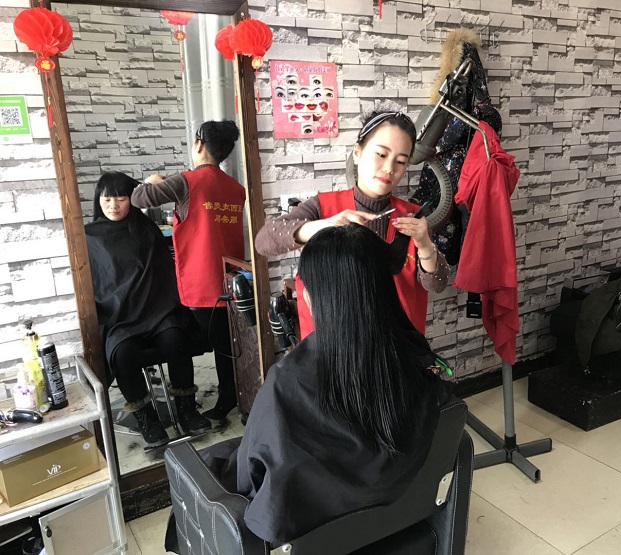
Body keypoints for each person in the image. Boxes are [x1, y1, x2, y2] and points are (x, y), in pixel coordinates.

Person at [165, 224, 452, 548]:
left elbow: (252, 485)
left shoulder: (286, 384)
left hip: (307, 542)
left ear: (314, 297)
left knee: (213, 461)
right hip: (395, 531)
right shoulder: (419, 363)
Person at [255, 111, 450, 337]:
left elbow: (437, 284)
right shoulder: (323, 207)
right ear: (357, 153)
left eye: (400, 161)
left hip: (396, 346)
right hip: (336, 345)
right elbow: (263, 241)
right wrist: (324, 225)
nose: (389, 168)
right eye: (381, 154)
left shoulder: (413, 218)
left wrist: (424, 244)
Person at [131, 120, 246, 426]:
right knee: (226, 342)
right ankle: (231, 394)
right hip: (232, 276)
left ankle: (224, 398)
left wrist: (151, 181)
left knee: (206, 341)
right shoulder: (237, 189)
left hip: (201, 278)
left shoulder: (186, 181)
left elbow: (139, 199)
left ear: (198, 145)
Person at [85, 172, 212, 447]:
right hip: (119, 318)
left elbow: (163, 274)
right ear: (98, 200)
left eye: (121, 198)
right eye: (107, 199)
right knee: (122, 354)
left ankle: (187, 410)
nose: (113, 205)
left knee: (176, 339)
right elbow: (97, 284)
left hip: (157, 311)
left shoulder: (146, 228)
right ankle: (147, 419)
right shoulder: (88, 237)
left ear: (132, 199)